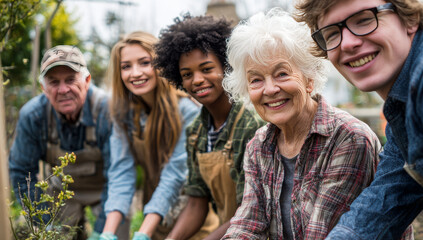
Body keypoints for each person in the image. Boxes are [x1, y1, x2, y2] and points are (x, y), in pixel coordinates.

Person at [219, 9, 399, 239]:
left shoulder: (350, 138)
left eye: (282, 74)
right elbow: (248, 223)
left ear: (309, 78)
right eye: (256, 80)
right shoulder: (258, 146)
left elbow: (321, 232)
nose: (270, 89)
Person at [295, 0, 423, 239]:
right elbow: (384, 202)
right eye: (332, 33)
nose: (349, 43)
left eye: (364, 20)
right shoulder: (402, 109)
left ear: (410, 19)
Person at [153, 14, 265, 240]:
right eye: (187, 74)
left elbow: (252, 209)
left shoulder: (251, 123)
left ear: (226, 66)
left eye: (206, 69)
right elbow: (197, 202)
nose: (196, 80)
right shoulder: (196, 131)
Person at [100, 31, 210, 240]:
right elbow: (121, 172)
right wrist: (108, 232)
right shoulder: (124, 114)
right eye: (126, 66)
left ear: (160, 64)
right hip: (155, 222)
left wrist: (143, 232)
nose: (135, 73)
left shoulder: (188, 111)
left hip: (195, 221)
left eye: (144, 62)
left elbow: (175, 174)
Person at [8, 45, 115, 239]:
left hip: (105, 191)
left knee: (115, 232)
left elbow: (117, 173)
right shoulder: (33, 116)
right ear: (43, 87)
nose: (63, 89)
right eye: (54, 82)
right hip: (61, 191)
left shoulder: (106, 110)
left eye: (71, 80)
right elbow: (22, 172)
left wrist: (103, 229)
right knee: (36, 233)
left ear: (87, 80)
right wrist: (44, 221)